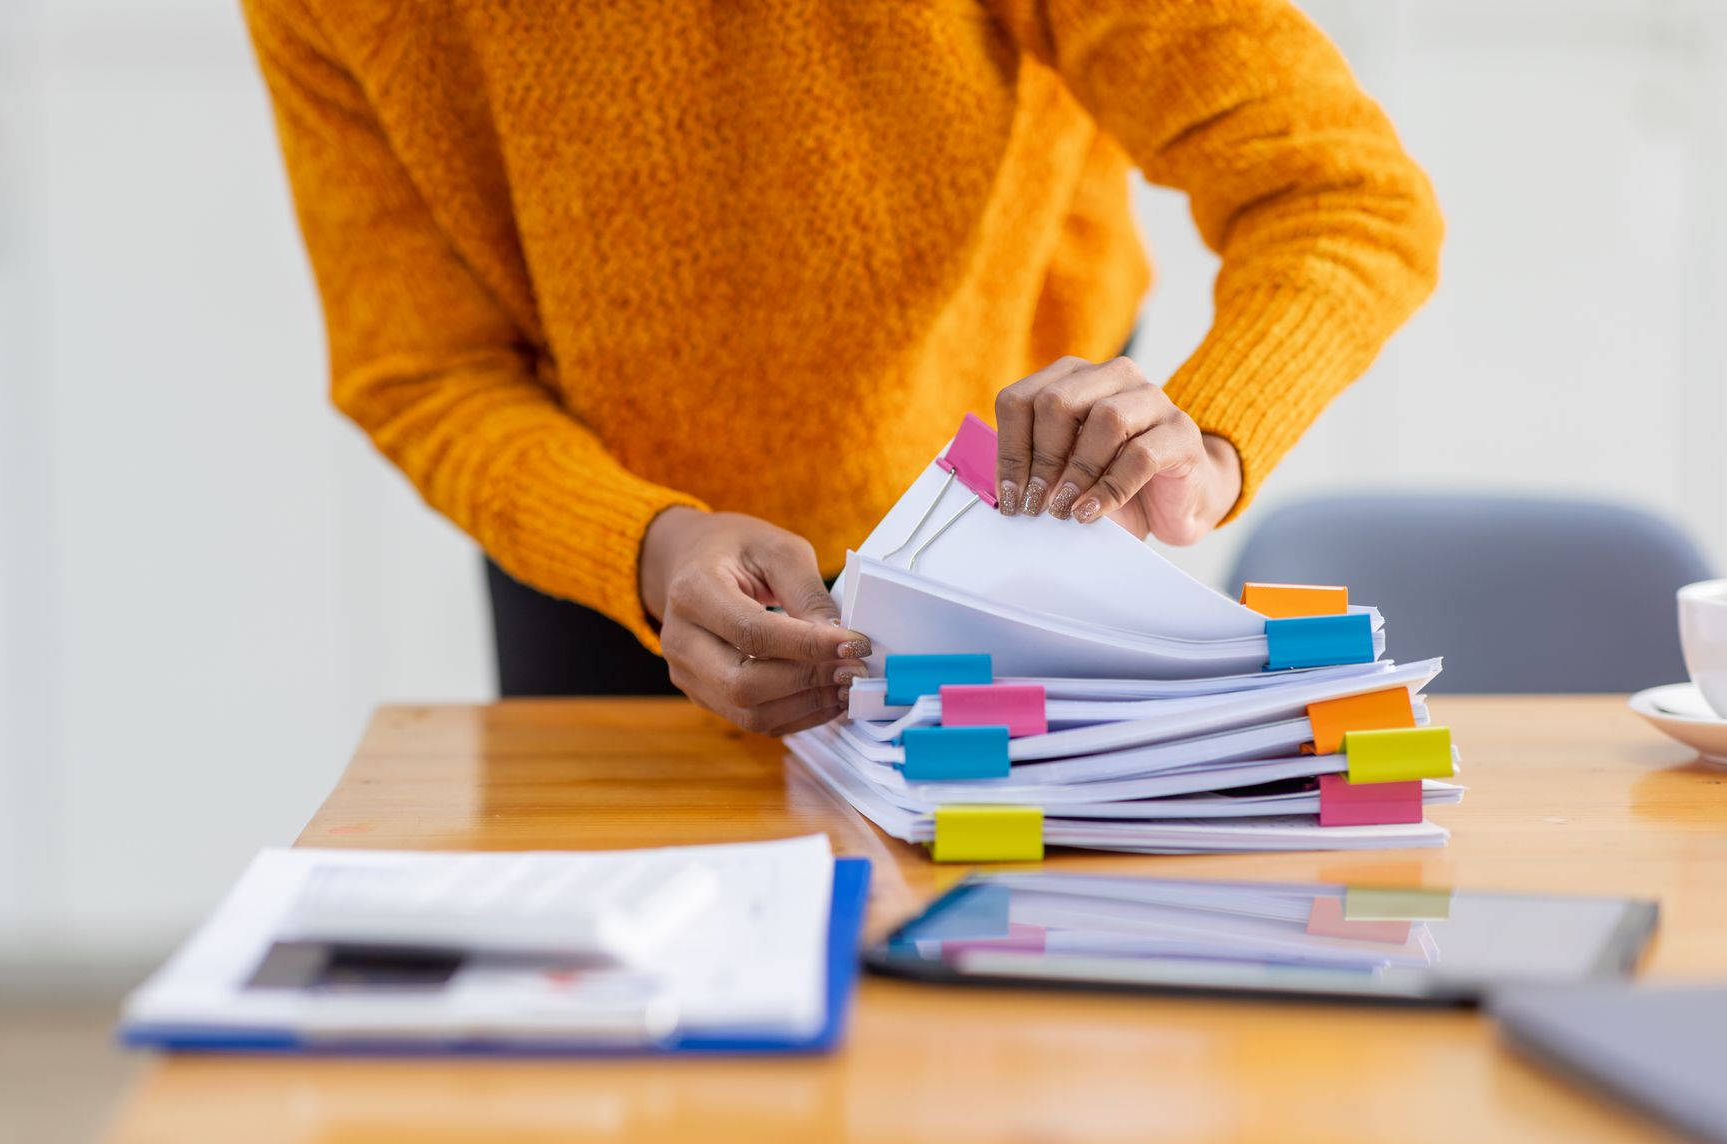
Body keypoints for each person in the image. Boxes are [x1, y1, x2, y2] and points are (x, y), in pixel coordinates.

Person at [241, 0, 1441, 733]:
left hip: (1013, 518)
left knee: (1016, 1059)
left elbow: (1340, 194)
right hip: (620, 562)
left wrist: (1207, 435)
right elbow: (423, 370)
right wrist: (649, 550)